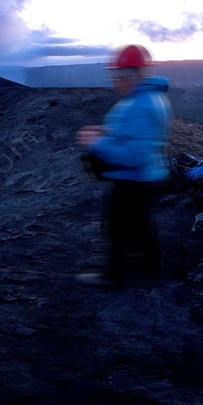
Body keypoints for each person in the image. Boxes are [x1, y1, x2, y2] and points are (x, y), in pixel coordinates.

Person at [74, 44, 171, 287]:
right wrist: (106, 130)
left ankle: (114, 275)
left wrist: (97, 143)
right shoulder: (147, 97)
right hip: (147, 175)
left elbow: (134, 154)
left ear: (134, 75)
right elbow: (135, 134)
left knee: (116, 227)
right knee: (141, 221)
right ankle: (149, 264)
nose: (115, 83)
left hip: (135, 178)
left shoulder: (141, 104)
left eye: (119, 77)